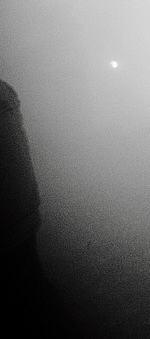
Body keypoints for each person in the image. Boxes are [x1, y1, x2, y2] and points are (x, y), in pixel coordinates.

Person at [1, 78, 81, 335]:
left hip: (10, 219)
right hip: (19, 212)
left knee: (25, 294)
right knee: (30, 290)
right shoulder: (4, 91)